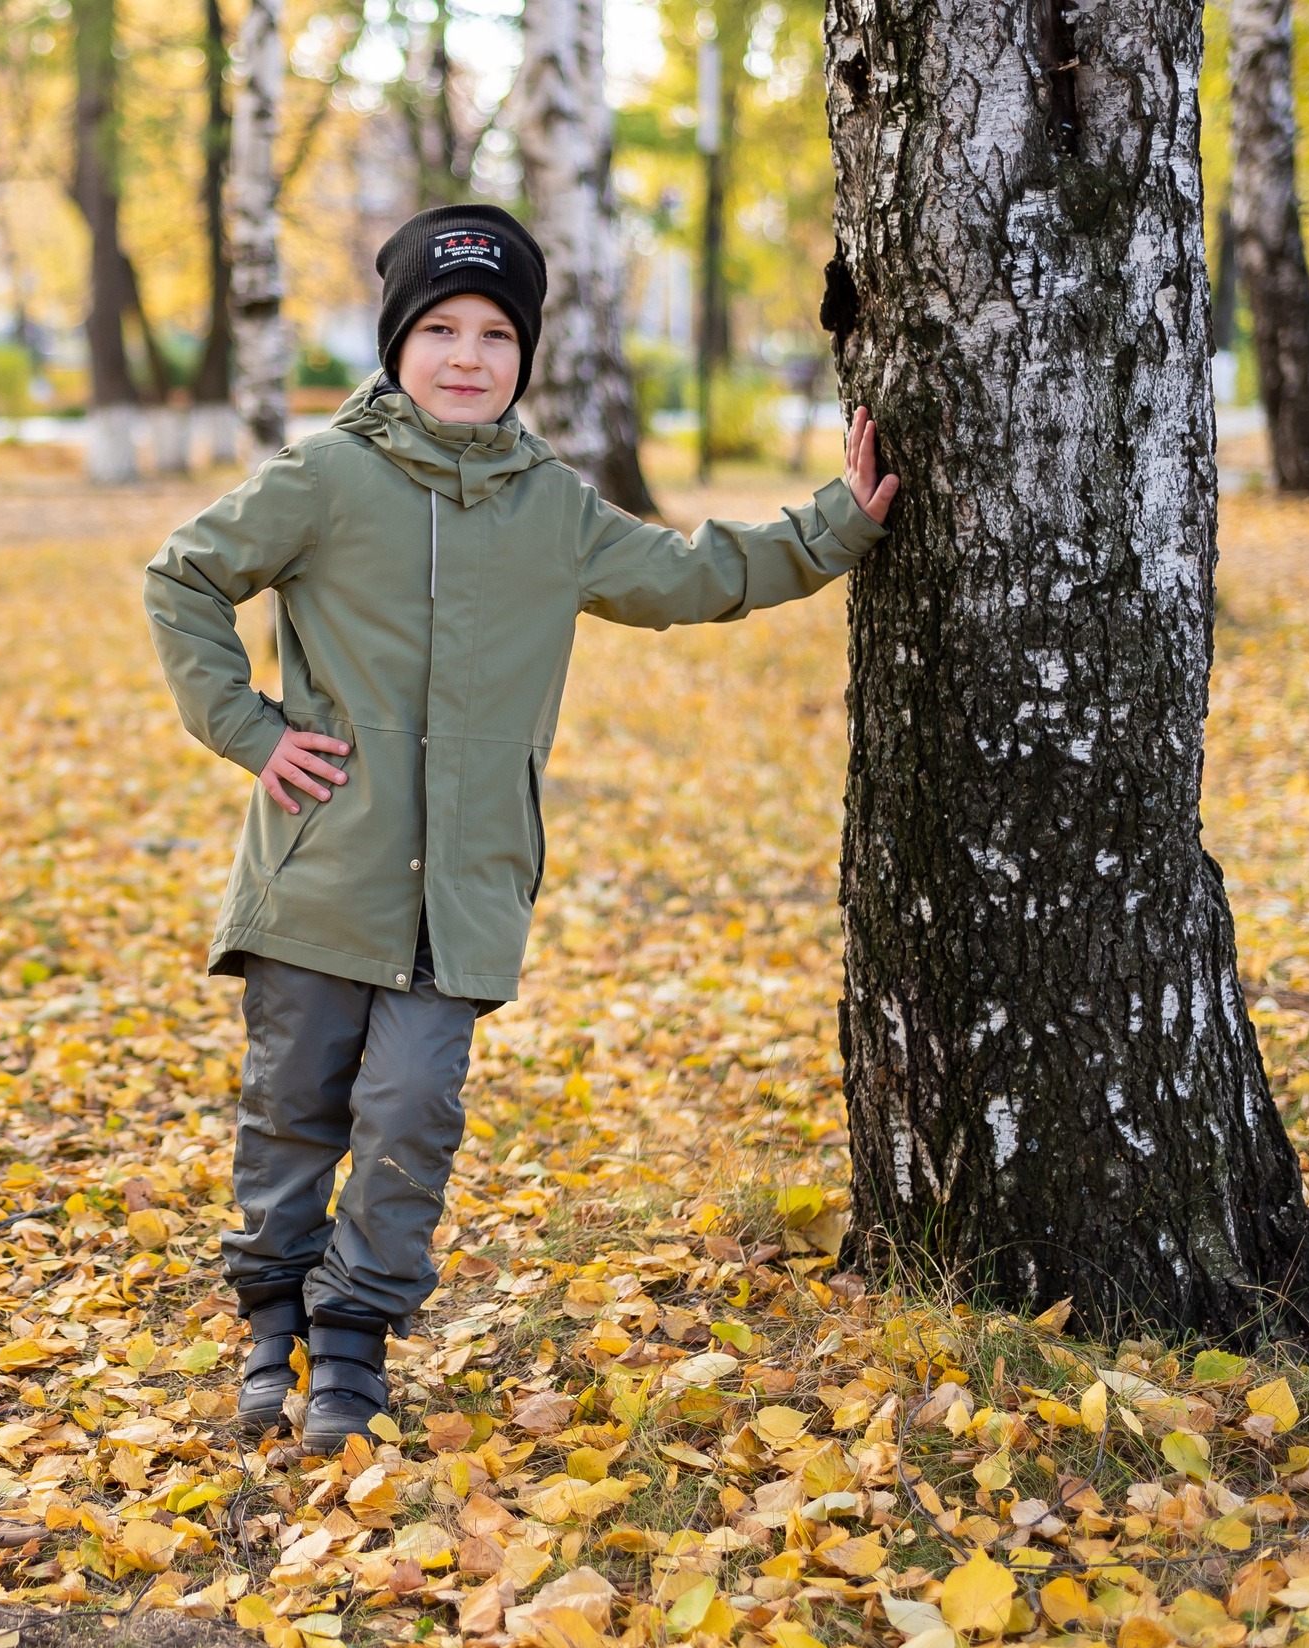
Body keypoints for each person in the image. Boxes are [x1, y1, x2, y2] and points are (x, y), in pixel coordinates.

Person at [143, 204, 897, 1454]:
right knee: (291, 1108)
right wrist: (252, 730)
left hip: (465, 889)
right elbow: (182, 576)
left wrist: (837, 525)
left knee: (409, 1113)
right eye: (439, 328)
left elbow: (692, 574)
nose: (466, 355)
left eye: (495, 334)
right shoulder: (324, 477)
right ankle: (272, 1329)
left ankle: (351, 1345)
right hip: (318, 867)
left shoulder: (552, 508)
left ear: (524, 356)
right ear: (396, 343)